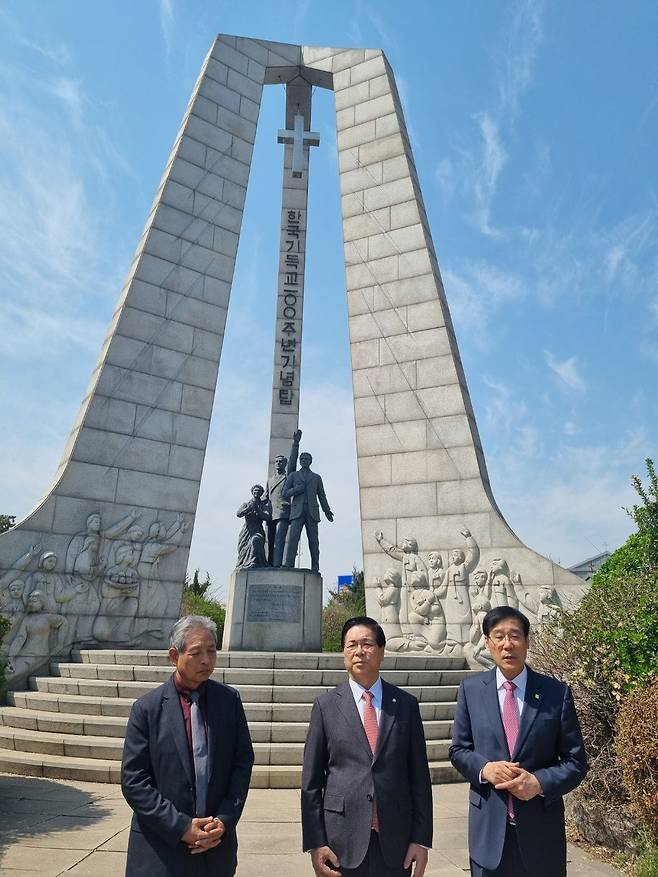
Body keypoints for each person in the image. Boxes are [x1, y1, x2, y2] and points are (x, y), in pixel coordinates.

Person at [449, 606, 588, 876]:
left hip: (540, 834)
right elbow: (458, 749)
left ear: (527, 641)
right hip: (488, 833)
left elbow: (576, 762)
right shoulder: (471, 690)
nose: (507, 644)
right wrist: (484, 769)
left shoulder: (555, 693)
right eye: (498, 636)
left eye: (514, 636)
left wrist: (538, 783)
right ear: (488, 643)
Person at [121, 615, 254, 877]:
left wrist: (224, 820)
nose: (206, 660)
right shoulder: (147, 709)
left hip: (215, 851)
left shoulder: (229, 701)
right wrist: (182, 827)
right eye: (196, 653)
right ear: (174, 655)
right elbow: (134, 782)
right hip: (159, 851)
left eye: (212, 651)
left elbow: (242, 763)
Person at [301, 616, 432, 876]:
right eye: (351, 645)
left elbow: (419, 777)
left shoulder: (406, 705)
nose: (359, 651)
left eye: (367, 644)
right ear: (343, 654)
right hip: (342, 840)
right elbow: (311, 783)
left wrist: (421, 838)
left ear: (382, 651)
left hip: (397, 839)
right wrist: (316, 843)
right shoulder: (326, 706)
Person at [282, 451, 333, 572]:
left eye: (306, 459)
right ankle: (289, 563)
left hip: (312, 512)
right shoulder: (293, 476)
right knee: (293, 538)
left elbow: (322, 496)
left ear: (311, 461)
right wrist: (296, 490)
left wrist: (327, 511)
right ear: (300, 461)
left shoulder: (316, 477)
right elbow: (284, 493)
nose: (304, 460)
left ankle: (315, 566)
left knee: (314, 541)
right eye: (302, 458)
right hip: (297, 511)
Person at [265, 429, 301, 567]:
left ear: (285, 464)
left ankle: (277, 565)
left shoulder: (289, 476)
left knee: (280, 540)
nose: (278, 463)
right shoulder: (270, 480)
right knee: (271, 541)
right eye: (276, 461)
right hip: (270, 515)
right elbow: (265, 496)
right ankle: (270, 564)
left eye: (281, 461)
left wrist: (295, 444)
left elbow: (293, 461)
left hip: (283, 513)